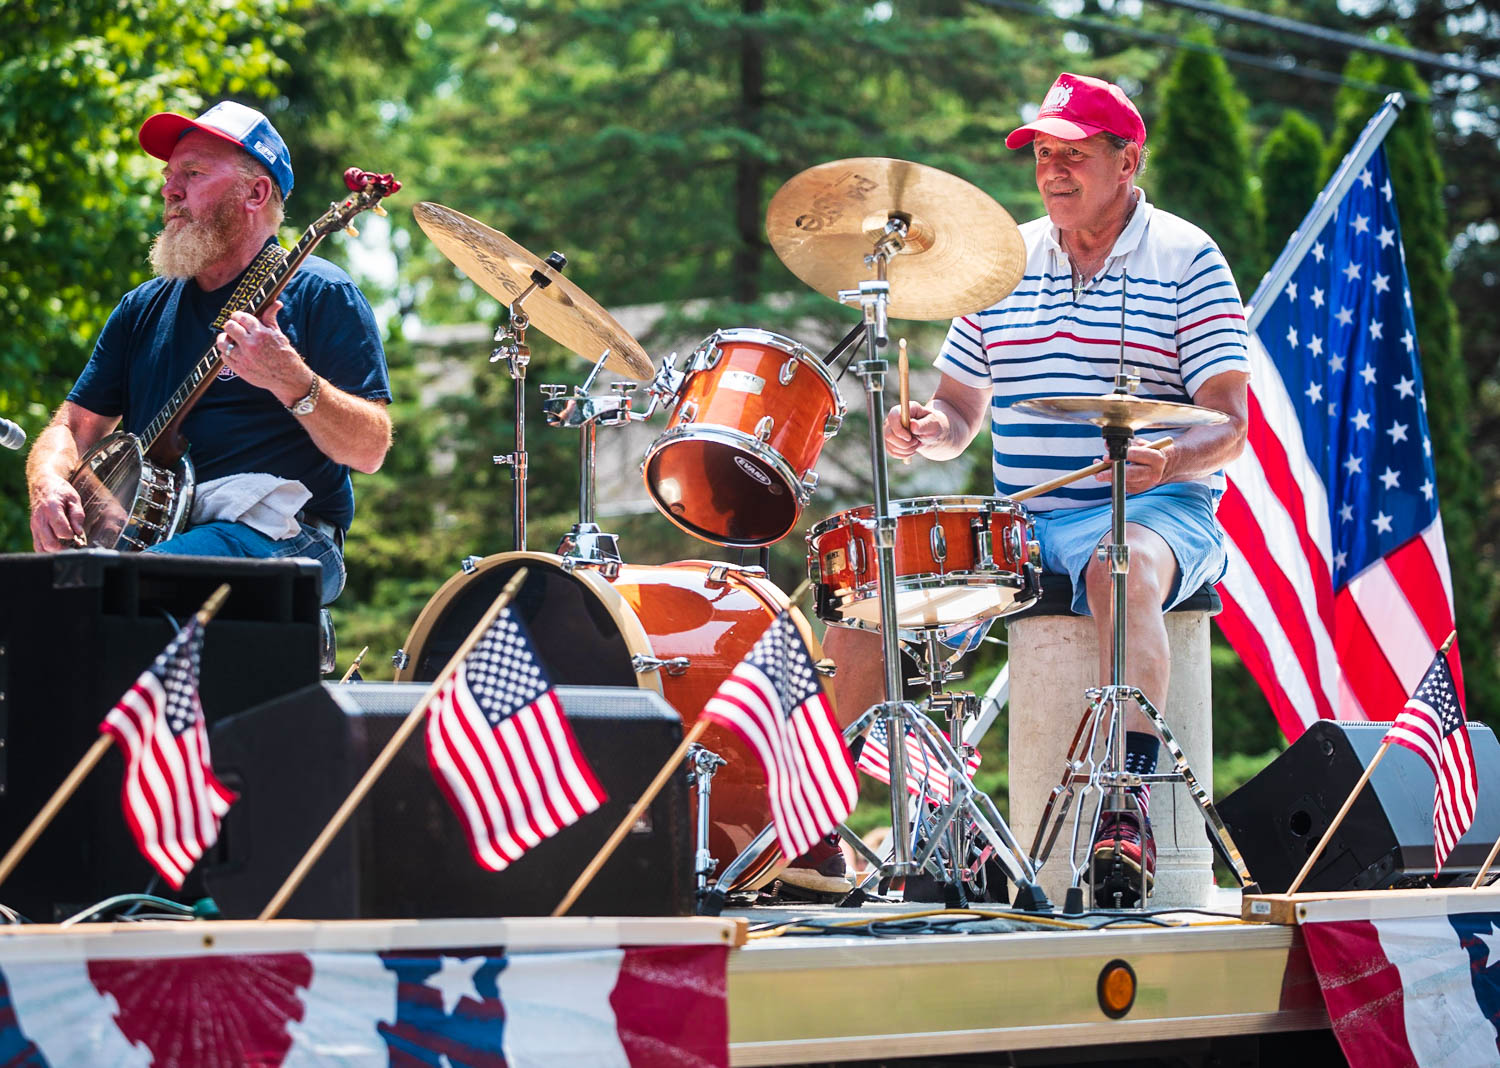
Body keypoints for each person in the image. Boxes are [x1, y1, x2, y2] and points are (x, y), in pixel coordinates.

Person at [824, 72, 1251, 903]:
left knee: (1116, 564)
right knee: (868, 584)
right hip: (1024, 522)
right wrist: (930, 429)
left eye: (1075, 156)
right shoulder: (1002, 264)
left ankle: (1123, 809)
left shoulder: (1188, 256)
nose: (1054, 172)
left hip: (1159, 506)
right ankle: (875, 826)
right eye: (1043, 156)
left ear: (1129, 162)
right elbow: (958, 407)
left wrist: (1169, 459)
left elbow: (1229, 425)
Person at [26, 101, 392, 604]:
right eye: (169, 175)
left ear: (256, 192)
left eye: (193, 173)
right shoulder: (141, 309)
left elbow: (370, 449)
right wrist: (47, 481)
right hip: (156, 541)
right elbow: (73, 426)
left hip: (284, 537)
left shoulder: (321, 292)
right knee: (32, 599)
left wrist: (290, 380)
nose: (169, 190)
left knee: (109, 596)